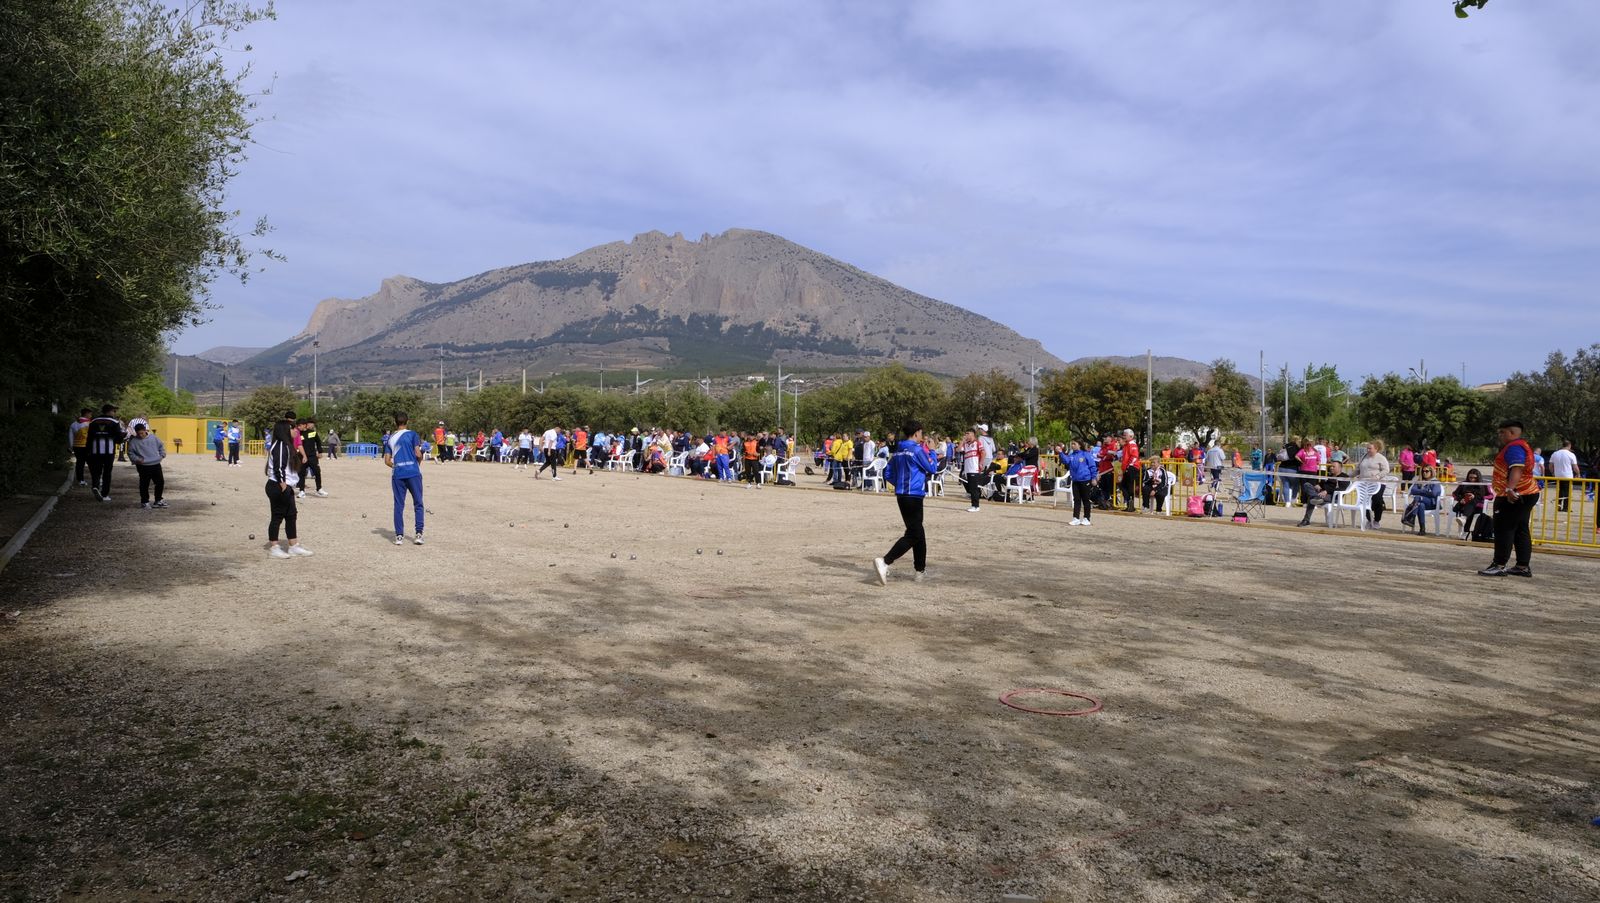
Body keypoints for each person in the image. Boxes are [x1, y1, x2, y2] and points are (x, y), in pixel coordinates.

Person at [873, 420, 940, 585]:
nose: (923, 437)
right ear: (916, 433)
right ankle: (885, 561)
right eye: (922, 433)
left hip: (902, 495)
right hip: (914, 495)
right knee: (914, 534)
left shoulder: (898, 451)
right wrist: (931, 451)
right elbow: (932, 469)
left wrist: (900, 484)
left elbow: (887, 473)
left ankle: (920, 570)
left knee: (918, 532)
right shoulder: (917, 450)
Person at [1480, 420, 1539, 578]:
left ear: (1512, 433)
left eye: (1502, 432)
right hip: (1527, 492)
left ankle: (1499, 564)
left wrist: (1509, 489)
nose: (1499, 435)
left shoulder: (1514, 447)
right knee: (1520, 529)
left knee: (1504, 528)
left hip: (1515, 494)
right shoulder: (1522, 445)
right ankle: (1522, 566)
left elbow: (1516, 468)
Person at [263, 417, 312, 558]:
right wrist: (283, 484)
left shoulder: (287, 445)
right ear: (285, 430)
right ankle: (274, 547)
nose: (295, 430)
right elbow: (278, 467)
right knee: (277, 517)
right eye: (292, 428)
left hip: (287, 486)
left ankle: (293, 546)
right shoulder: (280, 445)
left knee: (291, 515)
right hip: (278, 486)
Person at [384, 412, 426, 545]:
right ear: (407, 421)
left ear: (395, 422)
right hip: (413, 472)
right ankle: (418, 534)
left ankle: (399, 536)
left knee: (399, 505)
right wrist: (417, 463)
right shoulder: (413, 434)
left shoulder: (390, 438)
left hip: (398, 474)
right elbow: (418, 453)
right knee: (418, 503)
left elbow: (387, 460)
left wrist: (396, 466)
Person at [85, 404, 125, 501]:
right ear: (110, 411)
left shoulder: (93, 421)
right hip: (108, 451)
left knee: (96, 471)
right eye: (114, 411)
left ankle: (95, 486)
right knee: (107, 472)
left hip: (95, 451)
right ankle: (104, 494)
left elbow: (89, 438)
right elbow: (119, 438)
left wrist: (88, 451)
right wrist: (121, 438)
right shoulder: (114, 422)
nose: (114, 413)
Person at [125, 422, 168, 509]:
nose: (140, 435)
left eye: (142, 433)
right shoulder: (133, 441)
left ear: (145, 430)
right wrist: (137, 459)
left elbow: (161, 446)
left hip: (155, 463)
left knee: (160, 482)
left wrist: (162, 454)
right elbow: (130, 453)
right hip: (143, 465)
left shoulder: (153, 438)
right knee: (144, 484)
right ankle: (145, 502)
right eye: (138, 433)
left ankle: (158, 500)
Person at [1355, 440, 1391, 526]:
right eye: (1367, 448)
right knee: (1364, 500)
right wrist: (1347, 475)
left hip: (1378, 483)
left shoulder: (1381, 458)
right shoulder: (1364, 457)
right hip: (1364, 483)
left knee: (1377, 500)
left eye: (1370, 448)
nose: (1368, 450)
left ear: (1376, 449)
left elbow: (1386, 470)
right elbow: (1357, 469)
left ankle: (1377, 520)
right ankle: (1369, 519)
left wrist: (1377, 476)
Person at [1064, 440, 1098, 526]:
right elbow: (1066, 461)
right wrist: (1060, 453)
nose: (1072, 445)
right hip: (1075, 480)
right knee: (1076, 500)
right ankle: (1076, 518)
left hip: (1085, 480)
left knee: (1086, 499)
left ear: (1079, 445)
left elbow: (1092, 466)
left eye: (1074, 444)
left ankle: (1087, 518)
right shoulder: (1072, 455)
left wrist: (1093, 478)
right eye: (1071, 444)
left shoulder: (1086, 454)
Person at [1401, 465, 1442, 534]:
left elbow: (1434, 494)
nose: (1424, 473)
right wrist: (1426, 491)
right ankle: (1422, 529)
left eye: (1427, 471)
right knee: (1420, 505)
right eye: (1423, 471)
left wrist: (1421, 492)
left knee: (1417, 498)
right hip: (1421, 503)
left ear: (1431, 472)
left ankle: (1411, 518)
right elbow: (1413, 490)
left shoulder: (1435, 482)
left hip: (1432, 503)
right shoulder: (1420, 481)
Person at [297, 418, 326, 497]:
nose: (298, 427)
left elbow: (318, 442)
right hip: (302, 457)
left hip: (312, 457)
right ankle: (301, 491)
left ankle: (319, 489)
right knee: (301, 474)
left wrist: (320, 452)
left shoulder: (313, 433)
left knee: (317, 472)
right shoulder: (298, 434)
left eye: (300, 426)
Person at [1550, 440, 1579, 512]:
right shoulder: (1571, 454)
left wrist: (1553, 473)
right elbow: (1575, 467)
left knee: (1560, 491)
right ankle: (1566, 507)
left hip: (1558, 475)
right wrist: (1578, 473)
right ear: (1569, 446)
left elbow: (1550, 465)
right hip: (1567, 476)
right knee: (1567, 492)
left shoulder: (1555, 453)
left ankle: (1558, 506)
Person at [1119, 429, 1141, 512]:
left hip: (1131, 467)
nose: (1124, 436)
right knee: (1125, 486)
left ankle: (1130, 504)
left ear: (1130, 436)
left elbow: (1134, 456)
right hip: (1128, 467)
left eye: (1125, 435)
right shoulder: (1127, 445)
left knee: (1128, 486)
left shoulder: (1132, 444)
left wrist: (1128, 466)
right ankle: (1129, 504)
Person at [69, 408, 92, 486]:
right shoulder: (90, 424)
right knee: (92, 463)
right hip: (88, 446)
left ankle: (80, 480)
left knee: (80, 463)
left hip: (77, 446)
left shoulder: (74, 424)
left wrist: (71, 446)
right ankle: (96, 479)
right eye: (90, 414)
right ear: (86, 414)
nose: (91, 416)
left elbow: (70, 437)